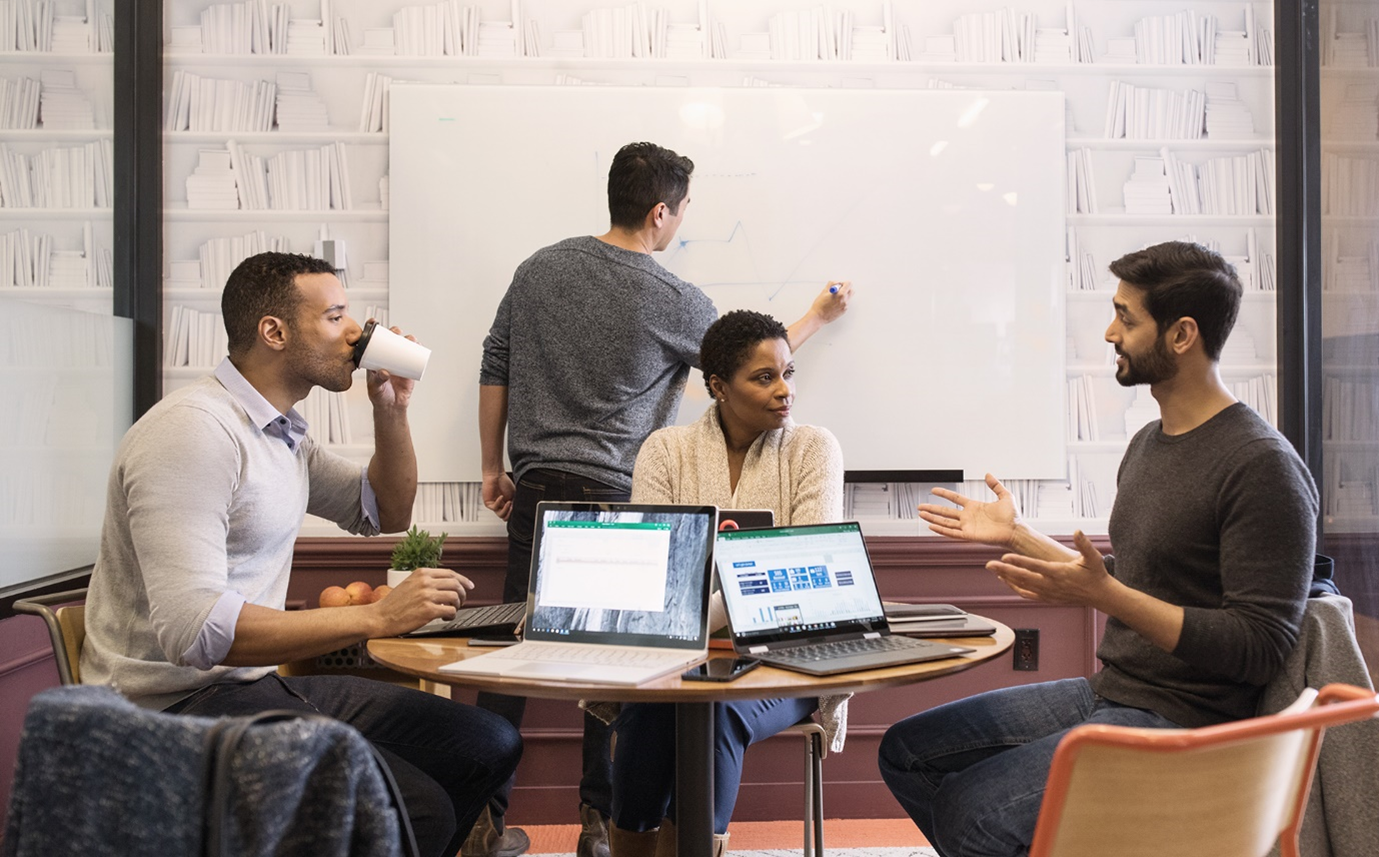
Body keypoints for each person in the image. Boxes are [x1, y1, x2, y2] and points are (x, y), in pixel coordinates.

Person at [877, 241, 1318, 857]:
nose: (1110, 332)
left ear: (1183, 334)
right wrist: (1017, 536)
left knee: (972, 816)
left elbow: (1259, 646)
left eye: (1127, 318)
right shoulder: (1148, 443)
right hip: (1116, 689)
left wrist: (1106, 593)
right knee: (906, 753)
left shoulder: (1262, 466)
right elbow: (1128, 578)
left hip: (1191, 721)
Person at [82, 252, 522, 857]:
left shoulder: (282, 432)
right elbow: (193, 631)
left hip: (247, 688)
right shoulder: (194, 433)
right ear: (274, 332)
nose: (356, 332)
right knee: (419, 808)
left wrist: (391, 410)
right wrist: (376, 617)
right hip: (171, 710)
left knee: (487, 743)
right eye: (336, 316)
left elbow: (383, 512)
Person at [478, 141, 850, 857]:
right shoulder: (672, 300)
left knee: (526, 656)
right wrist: (813, 314)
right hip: (616, 483)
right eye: (682, 212)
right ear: (660, 210)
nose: (680, 223)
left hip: (535, 486)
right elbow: (732, 354)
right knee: (616, 660)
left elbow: (496, 360)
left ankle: (486, 819)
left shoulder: (537, 269)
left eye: (789, 377)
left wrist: (490, 465)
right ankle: (598, 824)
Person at [609, 309, 845, 857]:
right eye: (764, 378)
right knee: (645, 709)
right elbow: (654, 579)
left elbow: (807, 581)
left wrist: (705, 606)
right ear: (718, 386)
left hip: (789, 659)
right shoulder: (665, 451)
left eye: (789, 373)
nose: (784, 391)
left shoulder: (814, 448)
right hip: (677, 657)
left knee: (713, 707)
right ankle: (632, 846)